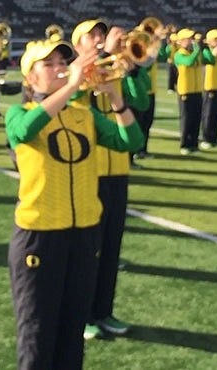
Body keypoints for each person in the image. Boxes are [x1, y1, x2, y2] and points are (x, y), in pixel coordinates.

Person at [6, 38, 143, 369]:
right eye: (48, 64)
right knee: (38, 333)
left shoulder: (85, 115)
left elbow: (132, 141)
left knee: (72, 333)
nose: (58, 68)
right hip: (39, 236)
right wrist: (70, 86)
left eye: (61, 63)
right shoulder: (18, 113)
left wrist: (115, 97)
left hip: (83, 234)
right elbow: (24, 132)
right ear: (31, 78)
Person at [70, 19, 148, 341]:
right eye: (93, 35)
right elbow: (76, 107)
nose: (100, 38)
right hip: (89, 173)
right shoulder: (74, 73)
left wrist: (128, 72)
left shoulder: (115, 66)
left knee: (112, 247)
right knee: (88, 251)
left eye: (102, 34)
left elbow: (141, 102)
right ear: (79, 44)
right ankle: (84, 315)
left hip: (118, 170)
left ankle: (104, 310)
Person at [172, 28, 203, 155]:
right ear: (180, 41)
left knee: (196, 118)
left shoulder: (194, 53)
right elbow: (189, 62)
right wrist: (196, 51)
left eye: (191, 39)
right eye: (187, 39)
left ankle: (194, 144)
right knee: (186, 119)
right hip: (185, 91)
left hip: (196, 90)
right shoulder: (179, 54)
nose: (190, 41)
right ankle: (184, 144)